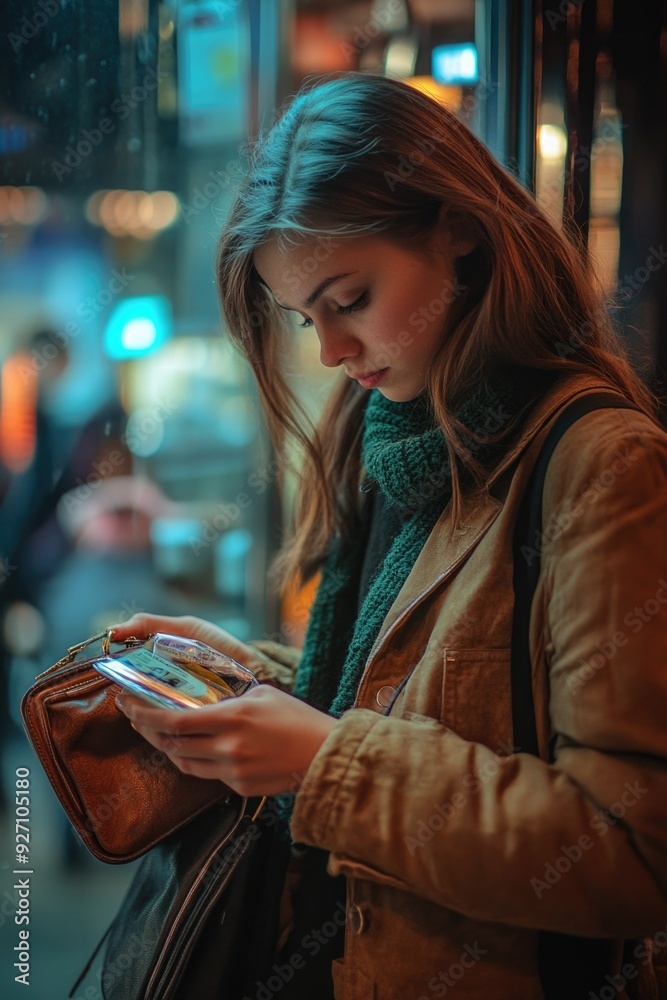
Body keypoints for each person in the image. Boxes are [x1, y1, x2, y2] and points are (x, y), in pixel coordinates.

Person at [107, 73, 667, 999]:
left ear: (457, 228)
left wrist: (322, 763)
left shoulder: (602, 466)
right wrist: (252, 685)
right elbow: (420, 701)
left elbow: (632, 853)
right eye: (302, 317)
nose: (326, 351)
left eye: (349, 298)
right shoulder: (391, 438)